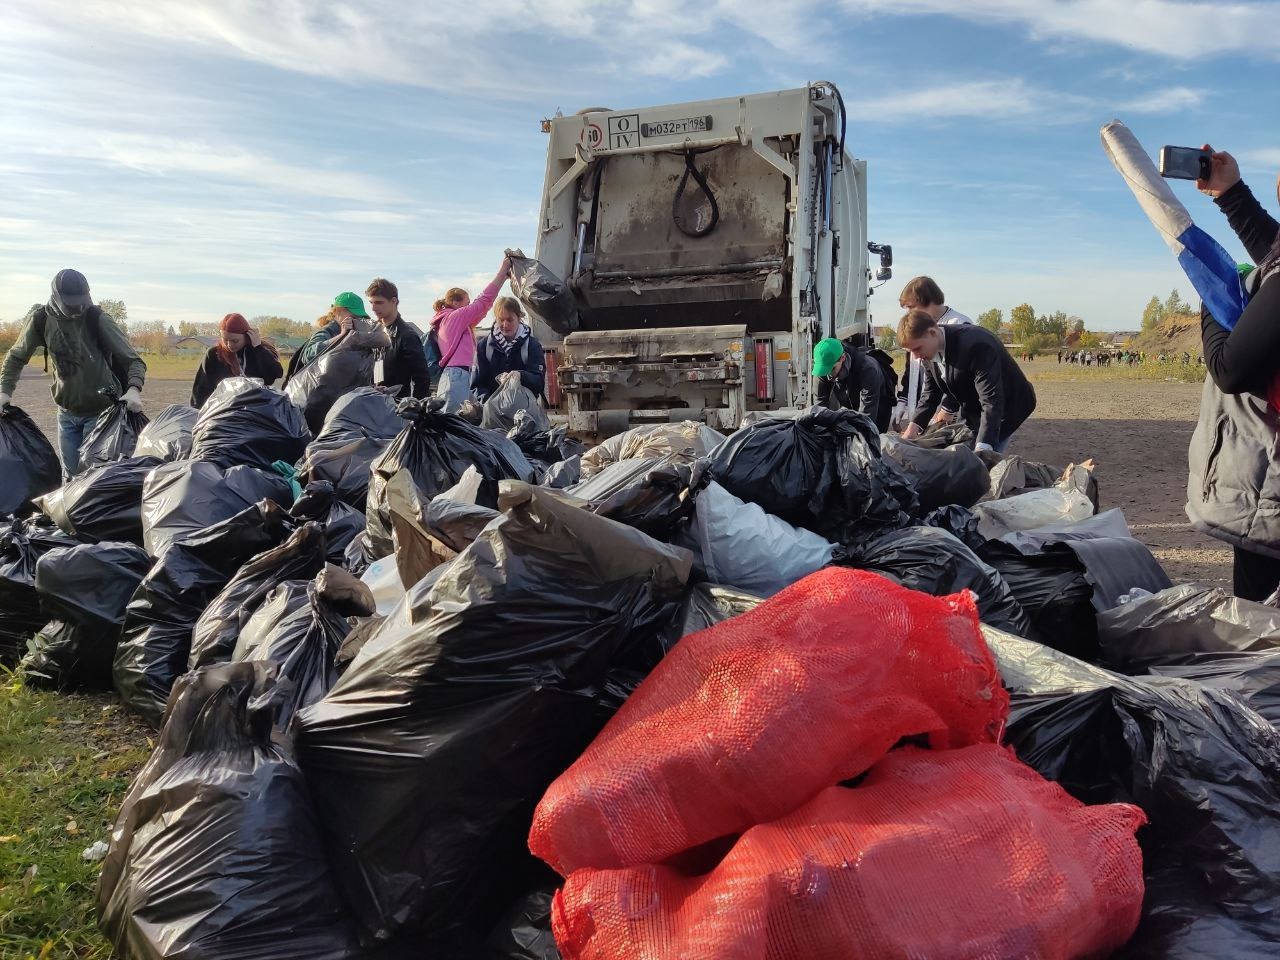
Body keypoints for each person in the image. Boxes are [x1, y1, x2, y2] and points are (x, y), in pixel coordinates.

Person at [1184, 145, 1280, 600]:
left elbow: (1230, 370)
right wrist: (1231, 193)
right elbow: (1273, 249)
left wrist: (1212, 299)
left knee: (1262, 633)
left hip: (1274, 492)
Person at [0, 269, 146, 478]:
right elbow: (15, 357)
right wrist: (4, 392)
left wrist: (134, 389)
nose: (78, 308)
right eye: (71, 302)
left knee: (91, 478)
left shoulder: (97, 318)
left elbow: (133, 360)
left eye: (82, 301)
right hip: (66, 413)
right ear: (56, 297)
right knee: (69, 475)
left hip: (101, 413)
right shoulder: (41, 320)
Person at [896, 309, 1036, 453]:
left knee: (984, 457)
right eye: (911, 351)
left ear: (932, 332)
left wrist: (984, 446)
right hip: (973, 405)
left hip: (1007, 407)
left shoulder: (976, 346)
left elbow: (991, 399)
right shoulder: (928, 353)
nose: (916, 356)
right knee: (964, 451)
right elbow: (931, 394)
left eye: (917, 348)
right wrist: (911, 431)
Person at [430, 257, 511, 412]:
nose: (469, 307)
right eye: (467, 303)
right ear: (455, 303)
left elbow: (484, 306)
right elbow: (482, 301)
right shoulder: (454, 318)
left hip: (460, 376)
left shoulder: (454, 324)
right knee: (453, 425)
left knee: (469, 424)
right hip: (458, 377)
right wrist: (503, 271)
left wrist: (503, 280)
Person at [894, 276, 973, 428]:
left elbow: (964, 375)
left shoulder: (959, 324)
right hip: (924, 408)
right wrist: (903, 400)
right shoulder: (915, 328)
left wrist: (948, 407)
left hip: (947, 414)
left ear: (926, 301)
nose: (909, 314)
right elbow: (912, 368)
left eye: (911, 307)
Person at [190, 313, 283, 408]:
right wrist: (198, 413)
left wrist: (258, 348)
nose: (229, 345)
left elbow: (275, 374)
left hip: (256, 409)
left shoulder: (258, 351)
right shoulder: (214, 354)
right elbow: (202, 389)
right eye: (225, 340)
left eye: (235, 341)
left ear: (247, 336)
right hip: (224, 410)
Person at [365, 277, 435, 399]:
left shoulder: (407, 335)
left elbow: (422, 377)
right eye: (371, 302)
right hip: (374, 401)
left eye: (379, 302)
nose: (373, 308)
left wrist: (414, 409)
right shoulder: (374, 331)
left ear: (394, 301)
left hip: (397, 406)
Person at [472, 297, 546, 402]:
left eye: (510, 319)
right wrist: (489, 403)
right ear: (496, 319)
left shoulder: (532, 345)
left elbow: (538, 383)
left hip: (524, 410)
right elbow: (477, 384)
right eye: (501, 320)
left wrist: (521, 376)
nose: (505, 325)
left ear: (519, 317)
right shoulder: (484, 346)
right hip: (492, 409)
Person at [284, 292, 369, 383]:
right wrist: (341, 336)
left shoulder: (352, 334)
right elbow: (308, 355)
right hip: (317, 393)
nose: (356, 321)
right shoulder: (327, 331)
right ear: (338, 311)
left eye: (359, 318)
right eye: (353, 317)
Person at [811, 336, 892, 431]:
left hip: (877, 406)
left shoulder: (868, 369)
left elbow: (867, 415)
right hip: (851, 401)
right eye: (825, 370)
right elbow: (820, 406)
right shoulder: (823, 368)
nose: (828, 374)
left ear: (842, 358)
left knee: (870, 437)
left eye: (832, 369)